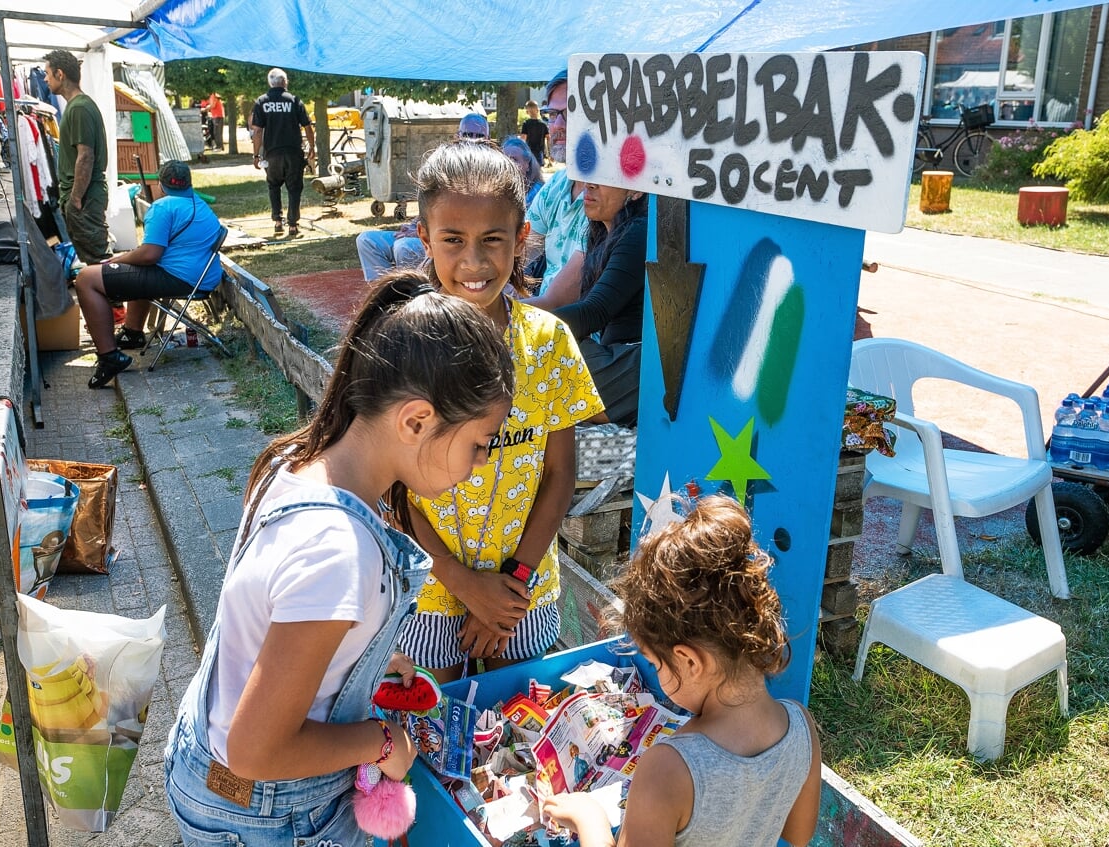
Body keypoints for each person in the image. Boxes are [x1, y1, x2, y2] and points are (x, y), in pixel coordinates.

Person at [164, 268, 516, 846]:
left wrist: (369, 659)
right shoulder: (338, 553)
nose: (480, 463)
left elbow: (282, 628)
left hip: (209, 775)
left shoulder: (298, 462)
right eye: (479, 443)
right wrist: (380, 742)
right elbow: (256, 749)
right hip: (271, 817)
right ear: (416, 421)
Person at [397, 140, 604, 683]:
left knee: (514, 732)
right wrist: (463, 584)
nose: (473, 261)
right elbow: (391, 487)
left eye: (493, 240)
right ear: (425, 239)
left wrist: (510, 587)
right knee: (428, 731)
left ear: (521, 239)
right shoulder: (402, 345)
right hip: (427, 587)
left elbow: (560, 475)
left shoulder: (549, 341)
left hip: (524, 589)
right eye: (453, 240)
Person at [542, 496, 823, 847]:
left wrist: (589, 819)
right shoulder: (802, 727)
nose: (657, 673)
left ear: (689, 661)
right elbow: (798, 834)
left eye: (657, 664)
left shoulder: (667, 770)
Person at [74, 160, 223, 389]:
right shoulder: (200, 204)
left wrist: (117, 259)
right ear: (189, 184)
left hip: (180, 279)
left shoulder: (163, 207)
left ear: (161, 186)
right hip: (200, 278)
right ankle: (132, 332)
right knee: (134, 270)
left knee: (86, 278)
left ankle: (109, 357)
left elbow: (149, 255)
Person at [540, 184, 648, 426]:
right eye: (590, 174)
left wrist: (520, 328)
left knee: (547, 359)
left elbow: (594, 311)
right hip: (615, 359)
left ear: (637, 190)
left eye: (605, 177)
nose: (590, 185)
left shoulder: (639, 230)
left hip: (633, 365)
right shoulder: (603, 233)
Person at [355, 113, 490, 281]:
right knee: (367, 240)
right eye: (468, 135)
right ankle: (384, 299)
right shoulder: (444, 164)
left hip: (450, 241)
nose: (473, 140)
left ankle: (414, 300)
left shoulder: (488, 171)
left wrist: (421, 233)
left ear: (488, 139)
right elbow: (429, 204)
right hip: (428, 231)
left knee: (404, 247)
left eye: (479, 136)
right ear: (457, 136)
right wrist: (412, 226)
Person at [525, 70, 590, 297]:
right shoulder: (558, 185)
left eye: (570, 112)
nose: (558, 125)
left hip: (582, 329)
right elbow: (521, 250)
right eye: (552, 114)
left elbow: (559, 302)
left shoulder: (617, 193)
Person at [43, 49, 108, 265]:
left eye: (48, 73)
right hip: (82, 196)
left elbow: (85, 157)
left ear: (60, 74)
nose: (45, 78)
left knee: (97, 261)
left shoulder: (79, 108)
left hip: (85, 197)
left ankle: (109, 299)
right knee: (92, 260)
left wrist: (76, 198)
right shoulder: (76, 106)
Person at [250, 68, 315, 238]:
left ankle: (278, 221)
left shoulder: (262, 101)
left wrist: (256, 155)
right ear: (285, 82)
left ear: (270, 83)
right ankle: (293, 225)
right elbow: (307, 127)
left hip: (272, 153)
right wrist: (312, 148)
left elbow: (257, 131)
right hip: (294, 152)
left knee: (273, 185)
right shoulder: (294, 100)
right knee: (294, 188)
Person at [501, 136, 544, 207]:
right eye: (504, 160)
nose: (508, 165)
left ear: (527, 164)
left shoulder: (539, 195)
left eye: (514, 160)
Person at [520, 99, 548, 166]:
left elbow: (523, 138)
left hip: (529, 151)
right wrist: (549, 154)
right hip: (540, 151)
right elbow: (548, 138)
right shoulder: (543, 124)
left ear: (527, 112)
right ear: (537, 110)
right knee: (539, 171)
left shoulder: (526, 124)